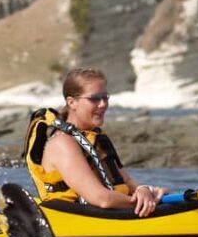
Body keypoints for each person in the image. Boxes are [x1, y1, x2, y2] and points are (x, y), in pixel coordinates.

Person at [23, 67, 165, 217]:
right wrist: (145, 203)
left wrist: (145, 190)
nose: (103, 104)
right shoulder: (63, 143)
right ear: (72, 102)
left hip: (110, 214)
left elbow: (128, 181)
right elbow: (101, 199)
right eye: (94, 98)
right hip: (74, 219)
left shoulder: (95, 137)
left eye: (105, 97)